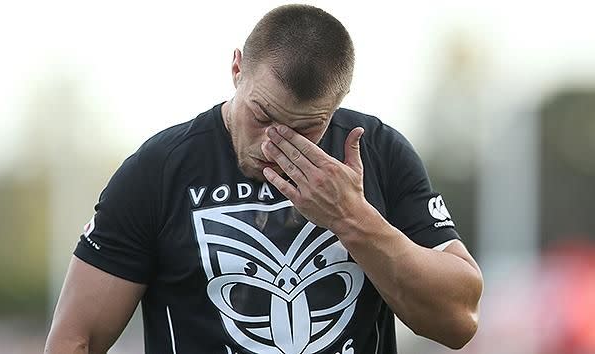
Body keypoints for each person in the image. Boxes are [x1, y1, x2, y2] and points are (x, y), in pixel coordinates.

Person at [45, 4, 483, 354]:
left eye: (306, 127)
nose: (274, 142)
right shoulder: (159, 169)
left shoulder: (378, 152)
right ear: (237, 69)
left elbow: (458, 320)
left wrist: (353, 219)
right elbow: (74, 339)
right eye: (263, 115)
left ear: (337, 103)